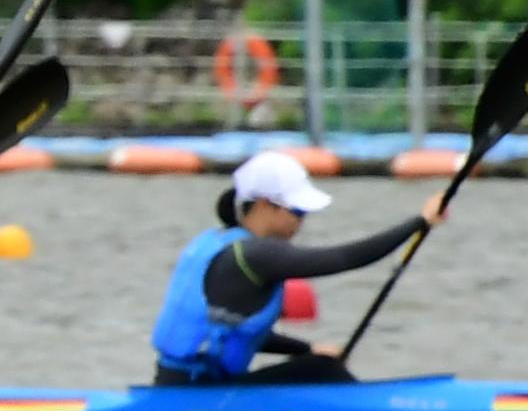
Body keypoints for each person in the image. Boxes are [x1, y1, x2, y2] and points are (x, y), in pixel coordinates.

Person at [151, 150, 444, 386]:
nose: (301, 222)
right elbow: (344, 258)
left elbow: (237, 334)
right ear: (267, 205)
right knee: (324, 372)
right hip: (202, 391)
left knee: (318, 364)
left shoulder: (218, 242)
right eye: (298, 211)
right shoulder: (256, 253)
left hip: (182, 384)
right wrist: (418, 222)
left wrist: (306, 349)